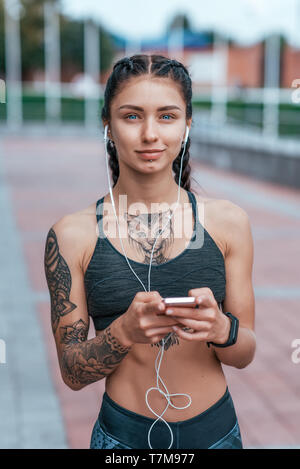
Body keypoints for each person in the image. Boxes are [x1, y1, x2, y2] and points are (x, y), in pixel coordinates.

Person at [44, 54, 256, 450]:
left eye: (167, 116)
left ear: (187, 125)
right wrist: (123, 333)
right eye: (131, 116)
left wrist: (222, 329)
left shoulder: (228, 223)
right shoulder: (71, 234)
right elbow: (72, 372)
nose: (150, 135)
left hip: (216, 433)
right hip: (120, 440)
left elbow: (246, 351)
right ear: (107, 125)